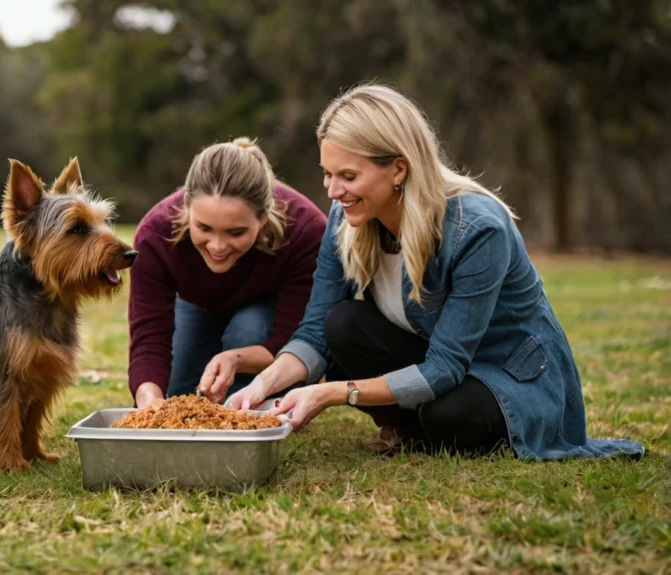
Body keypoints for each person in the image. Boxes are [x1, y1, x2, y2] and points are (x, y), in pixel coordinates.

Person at [225, 85, 644, 460]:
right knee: (343, 324)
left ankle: (430, 427)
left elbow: (446, 367)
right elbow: (315, 331)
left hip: (505, 373)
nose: (333, 192)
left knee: (451, 417)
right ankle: (412, 430)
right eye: (328, 174)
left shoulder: (479, 228)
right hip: (436, 363)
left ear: (399, 170)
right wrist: (262, 386)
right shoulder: (345, 216)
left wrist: (336, 392)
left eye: (348, 176)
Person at [128, 138, 328, 409]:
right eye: (204, 228)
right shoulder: (154, 236)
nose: (218, 247)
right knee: (175, 393)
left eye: (236, 232)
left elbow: (290, 342)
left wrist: (236, 358)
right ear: (187, 210)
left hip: (267, 310)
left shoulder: (307, 231)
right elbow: (150, 341)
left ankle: (253, 405)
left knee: (247, 330)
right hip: (197, 303)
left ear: (263, 219)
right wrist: (150, 402)